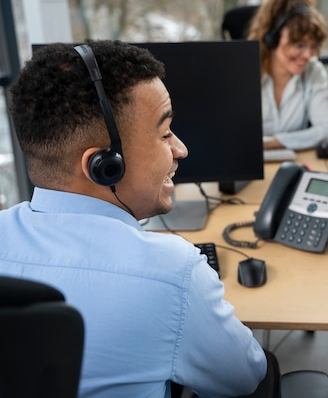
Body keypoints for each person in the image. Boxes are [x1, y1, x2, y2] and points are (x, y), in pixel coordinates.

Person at [0, 40, 273, 398]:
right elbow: (244, 378)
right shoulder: (173, 273)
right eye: (164, 134)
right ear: (103, 166)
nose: (181, 149)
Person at [247, 0, 328, 151]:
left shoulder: (313, 70)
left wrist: (273, 143)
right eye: (299, 44)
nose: (308, 55)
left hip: (295, 164)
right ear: (271, 38)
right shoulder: (243, 72)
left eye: (313, 46)